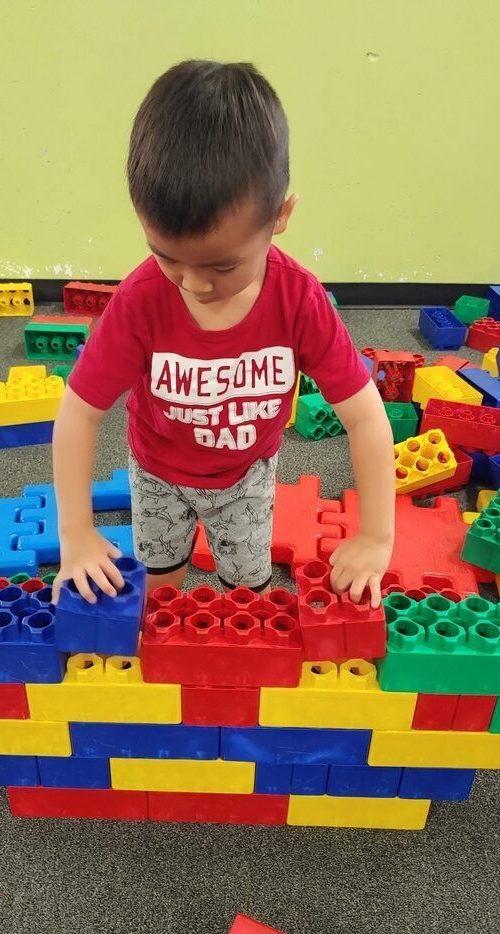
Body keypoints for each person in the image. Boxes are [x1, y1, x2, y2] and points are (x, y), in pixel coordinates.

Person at [52, 60, 394, 609]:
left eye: (222, 266)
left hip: (246, 479)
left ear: (280, 217)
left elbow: (365, 416)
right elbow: (78, 412)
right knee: (159, 590)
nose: (193, 283)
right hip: (158, 474)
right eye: (166, 257)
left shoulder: (298, 299)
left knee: (246, 599)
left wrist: (375, 537)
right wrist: (77, 535)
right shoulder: (140, 301)